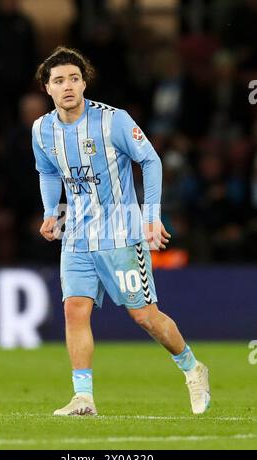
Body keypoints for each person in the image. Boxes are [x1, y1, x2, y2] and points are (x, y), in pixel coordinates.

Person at [32, 46, 210, 416]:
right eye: (59, 80)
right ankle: (83, 398)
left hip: (121, 233)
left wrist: (151, 216)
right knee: (75, 311)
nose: (68, 86)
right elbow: (47, 171)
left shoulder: (113, 120)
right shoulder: (42, 128)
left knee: (144, 316)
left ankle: (192, 368)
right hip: (76, 234)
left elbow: (150, 159)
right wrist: (51, 212)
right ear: (47, 88)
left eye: (74, 78)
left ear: (85, 82)